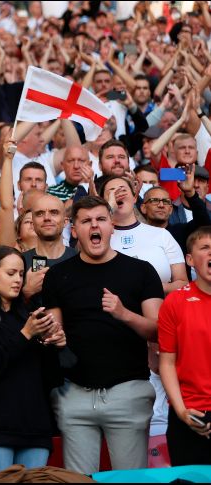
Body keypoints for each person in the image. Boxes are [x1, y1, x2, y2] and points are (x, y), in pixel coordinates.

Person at [42, 196, 163, 474]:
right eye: (86, 221)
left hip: (128, 392)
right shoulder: (58, 275)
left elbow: (157, 330)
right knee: (78, 481)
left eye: (100, 219)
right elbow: (54, 331)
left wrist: (124, 314)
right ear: (74, 230)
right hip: (74, 394)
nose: (94, 226)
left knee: (130, 481)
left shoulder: (141, 271)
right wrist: (52, 336)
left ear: (111, 226)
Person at [0, 246, 65, 472]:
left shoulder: (29, 316)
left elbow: (50, 379)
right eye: (10, 273)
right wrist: (25, 335)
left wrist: (53, 345)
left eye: (21, 273)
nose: (18, 280)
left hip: (34, 429)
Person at [158, 227, 211, 466]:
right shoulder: (175, 302)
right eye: (205, 248)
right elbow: (167, 362)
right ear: (190, 260)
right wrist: (181, 411)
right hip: (190, 414)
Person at [102, 176, 187, 295]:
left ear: (135, 197)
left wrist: (150, 286)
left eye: (123, 190)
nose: (118, 194)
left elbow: (183, 283)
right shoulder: (98, 237)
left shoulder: (162, 234)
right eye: (112, 191)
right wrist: (108, 208)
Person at [21, 194, 77, 303]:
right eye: (40, 213)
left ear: (65, 221)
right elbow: (3, 309)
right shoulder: (20, 262)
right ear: (32, 224)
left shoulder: (79, 259)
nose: (47, 218)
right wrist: (27, 291)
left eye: (54, 212)